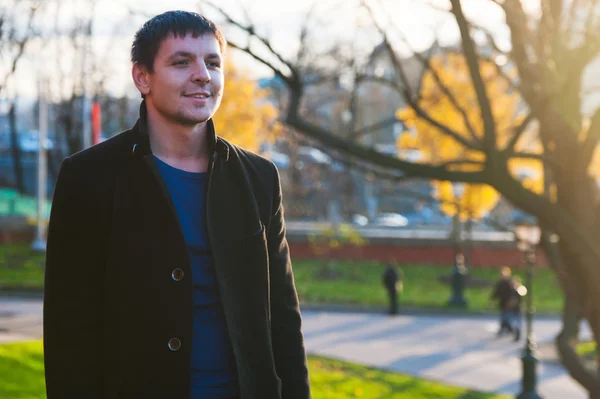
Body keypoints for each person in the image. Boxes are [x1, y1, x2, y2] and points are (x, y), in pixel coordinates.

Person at [43, 11, 311, 399]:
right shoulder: (88, 178)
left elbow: (284, 318)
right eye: (181, 62)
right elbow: (69, 329)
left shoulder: (259, 177)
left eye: (213, 62)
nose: (202, 74)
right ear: (142, 77)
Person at [490, 266, 513, 336]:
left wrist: (511, 301)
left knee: (506, 316)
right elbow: (496, 292)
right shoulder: (500, 284)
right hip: (502, 302)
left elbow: (512, 293)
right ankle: (507, 328)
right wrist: (492, 299)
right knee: (504, 316)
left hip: (508, 303)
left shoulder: (509, 283)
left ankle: (507, 328)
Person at [506, 276, 526, 342]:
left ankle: (518, 334)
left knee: (518, 322)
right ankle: (515, 332)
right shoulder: (510, 289)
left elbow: (523, 294)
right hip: (511, 309)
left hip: (518, 308)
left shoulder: (520, 289)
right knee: (511, 322)